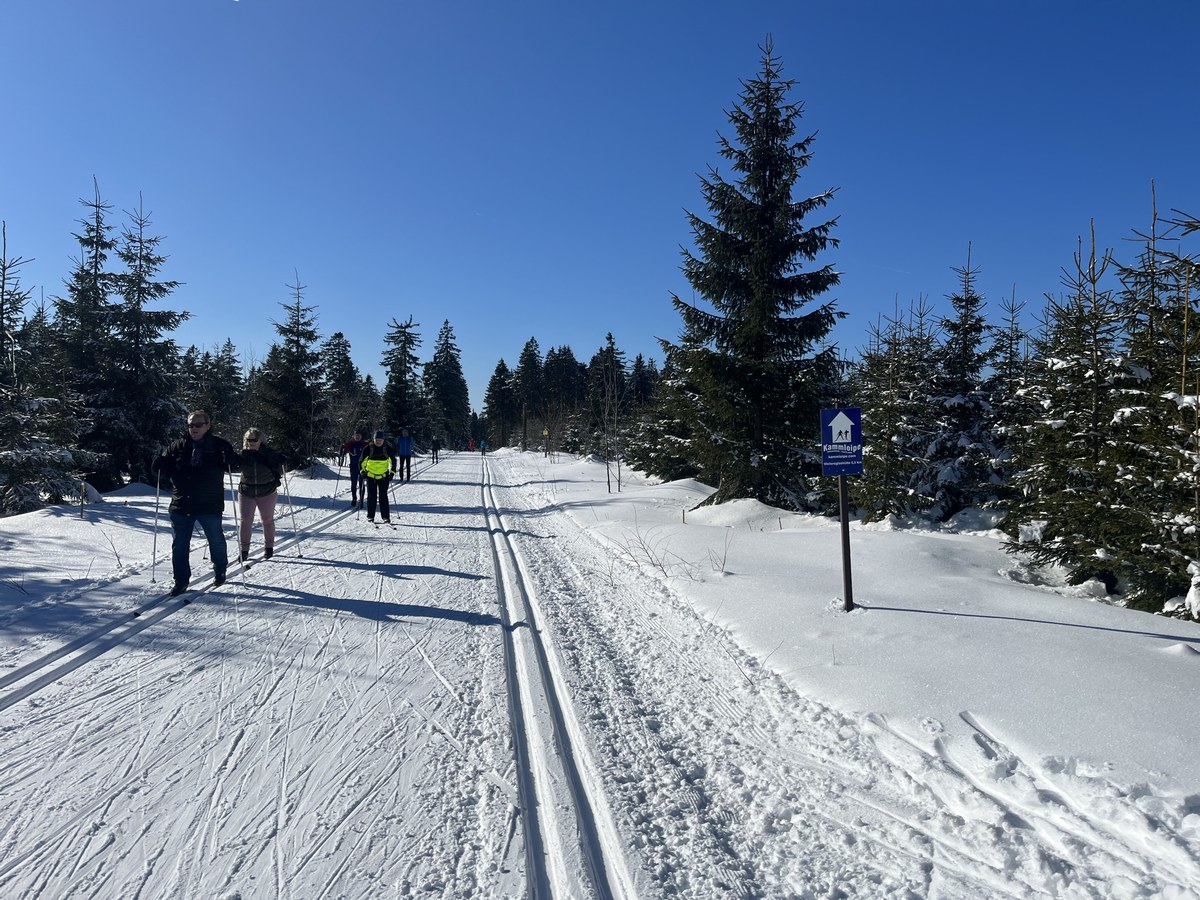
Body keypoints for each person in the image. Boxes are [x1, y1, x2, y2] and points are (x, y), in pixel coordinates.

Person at [151, 411, 240, 596]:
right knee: (180, 544)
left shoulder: (219, 446)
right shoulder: (177, 445)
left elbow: (235, 465)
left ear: (208, 425)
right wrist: (159, 466)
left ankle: (220, 569)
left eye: (198, 425)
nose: (194, 429)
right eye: (191, 425)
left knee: (215, 539)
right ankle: (181, 581)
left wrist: (231, 459)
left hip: (209, 503)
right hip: (181, 503)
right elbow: (165, 469)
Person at [237, 428, 284, 562]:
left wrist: (280, 459)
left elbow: (283, 460)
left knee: (267, 520)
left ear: (260, 440)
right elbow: (233, 466)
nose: (251, 442)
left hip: (267, 491)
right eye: (248, 440)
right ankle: (244, 551)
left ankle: (269, 548)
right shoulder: (243, 454)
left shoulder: (268, 453)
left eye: (254, 440)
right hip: (247, 491)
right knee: (245, 521)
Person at [360, 430, 396, 524]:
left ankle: (386, 517)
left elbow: (393, 462)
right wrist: (362, 472)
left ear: (383, 440)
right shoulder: (368, 448)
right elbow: (361, 462)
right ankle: (370, 516)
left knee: (383, 496)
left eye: (380, 440)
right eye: (377, 439)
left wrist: (391, 473)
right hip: (370, 476)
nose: (378, 441)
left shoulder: (387, 448)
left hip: (383, 476)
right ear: (374, 439)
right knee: (371, 497)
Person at [339, 430, 369, 509]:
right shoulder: (350, 444)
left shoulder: (365, 444)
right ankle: (354, 499)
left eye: (359, 435)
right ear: (354, 436)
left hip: (363, 467)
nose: (357, 437)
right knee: (353, 484)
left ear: (361, 436)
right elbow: (343, 452)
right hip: (353, 466)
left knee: (361, 484)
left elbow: (371, 450)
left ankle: (361, 500)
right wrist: (342, 448)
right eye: (356, 435)